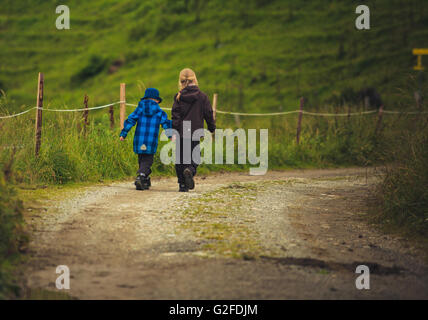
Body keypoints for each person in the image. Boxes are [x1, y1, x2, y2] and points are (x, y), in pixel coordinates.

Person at [172, 68, 216, 192]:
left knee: (180, 158)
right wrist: (211, 127)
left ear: (181, 81)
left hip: (181, 131)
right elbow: (208, 113)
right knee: (194, 156)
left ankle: (182, 184)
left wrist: (174, 130)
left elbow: (175, 115)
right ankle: (190, 170)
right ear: (195, 79)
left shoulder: (178, 97)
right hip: (195, 131)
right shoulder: (202, 96)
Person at [120, 88, 172, 190]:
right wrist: (171, 135)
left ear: (145, 98)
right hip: (151, 141)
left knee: (141, 159)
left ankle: (144, 180)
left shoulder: (139, 109)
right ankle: (141, 176)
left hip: (139, 139)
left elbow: (130, 120)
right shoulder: (159, 112)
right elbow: (166, 123)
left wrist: (124, 133)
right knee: (148, 161)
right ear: (157, 100)